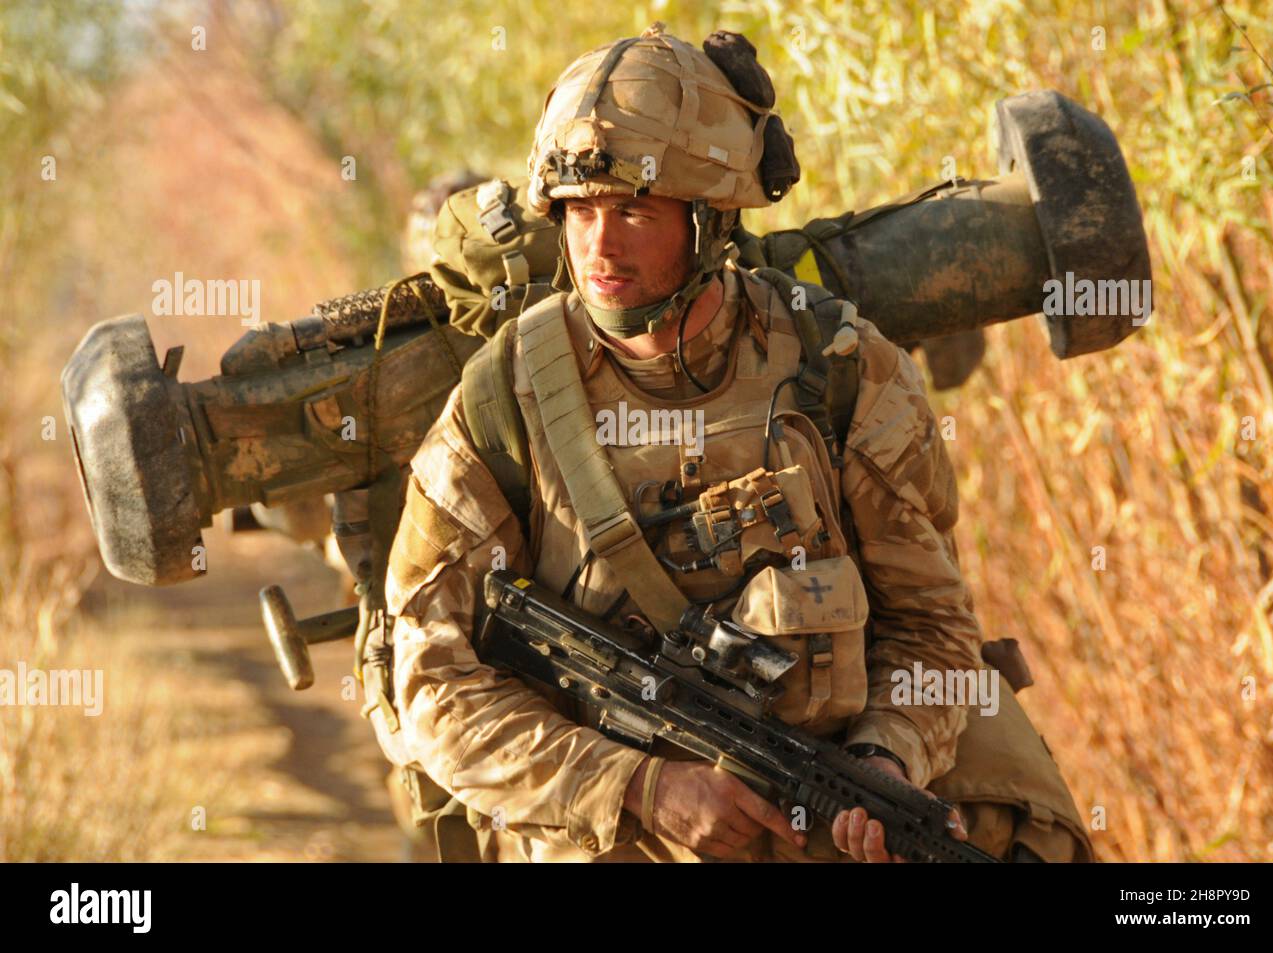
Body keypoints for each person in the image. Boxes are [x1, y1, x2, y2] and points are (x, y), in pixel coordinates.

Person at [372, 23, 1091, 863]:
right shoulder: (500, 405)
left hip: (824, 805)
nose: (599, 244)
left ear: (710, 218)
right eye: (579, 210)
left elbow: (932, 626)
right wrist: (640, 788)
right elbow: (432, 684)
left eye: (633, 208)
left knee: (1019, 828)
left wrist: (887, 753)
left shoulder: (838, 370)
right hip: (617, 825)